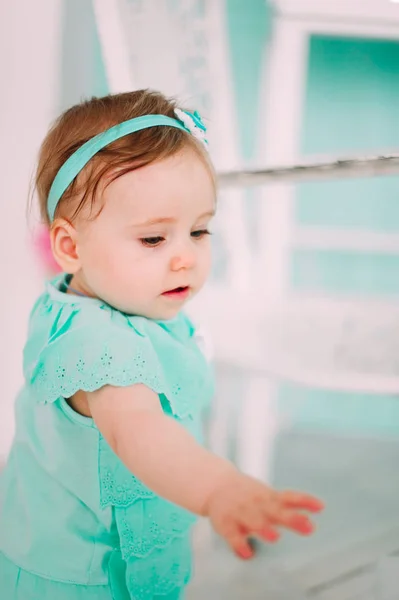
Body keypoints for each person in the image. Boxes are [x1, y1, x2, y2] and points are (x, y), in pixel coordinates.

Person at [0, 89, 324, 600]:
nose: (185, 259)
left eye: (199, 231)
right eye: (154, 239)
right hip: (81, 580)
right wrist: (218, 488)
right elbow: (140, 432)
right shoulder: (100, 346)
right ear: (70, 247)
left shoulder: (85, 302)